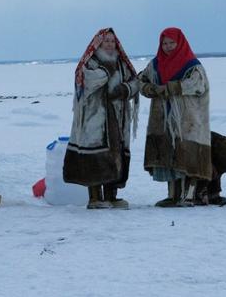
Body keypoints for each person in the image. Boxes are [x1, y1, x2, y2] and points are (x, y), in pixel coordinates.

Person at [63, 28, 140, 209]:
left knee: (116, 153)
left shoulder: (122, 63)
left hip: (117, 115)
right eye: (106, 41)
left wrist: (124, 89)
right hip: (94, 116)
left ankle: (112, 196)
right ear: (98, 43)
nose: (110, 44)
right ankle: (95, 197)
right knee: (96, 153)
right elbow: (86, 81)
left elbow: (135, 81)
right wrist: (106, 71)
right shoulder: (91, 62)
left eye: (112, 42)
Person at [139, 27, 212, 207]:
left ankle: (189, 195)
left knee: (188, 155)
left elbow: (198, 85)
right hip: (163, 118)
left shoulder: (192, 65)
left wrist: (172, 88)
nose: (168, 47)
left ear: (180, 43)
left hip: (188, 119)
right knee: (169, 154)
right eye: (165, 43)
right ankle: (173, 195)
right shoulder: (155, 64)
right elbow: (140, 79)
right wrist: (150, 89)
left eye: (172, 43)